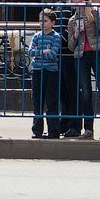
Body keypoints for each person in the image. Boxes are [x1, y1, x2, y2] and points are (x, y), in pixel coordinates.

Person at [68, 0, 100, 140]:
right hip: (81, 57)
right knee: (86, 94)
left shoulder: (95, 11)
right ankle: (88, 129)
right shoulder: (72, 20)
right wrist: (76, 34)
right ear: (72, 2)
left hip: (98, 54)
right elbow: (70, 46)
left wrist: (93, 9)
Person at [53, 0, 82, 138]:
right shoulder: (56, 5)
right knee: (62, 93)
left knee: (73, 92)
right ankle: (63, 125)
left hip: (71, 54)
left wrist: (60, 40)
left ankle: (75, 126)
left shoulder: (74, 6)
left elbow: (72, 27)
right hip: (58, 54)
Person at [29, 9, 62, 139]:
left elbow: (53, 54)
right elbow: (31, 52)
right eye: (40, 20)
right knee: (37, 100)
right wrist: (44, 51)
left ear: (53, 22)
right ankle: (37, 130)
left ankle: (53, 131)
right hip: (37, 71)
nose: (42, 23)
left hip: (51, 71)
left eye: (45, 20)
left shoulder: (56, 36)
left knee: (51, 101)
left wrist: (39, 52)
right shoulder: (36, 36)